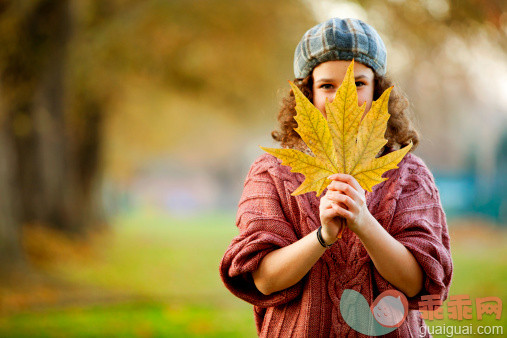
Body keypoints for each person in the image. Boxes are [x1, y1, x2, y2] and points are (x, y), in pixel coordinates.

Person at [220, 17, 453, 337]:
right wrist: (322, 237)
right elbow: (263, 279)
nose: (342, 97)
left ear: (378, 90)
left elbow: (420, 283)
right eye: (327, 85)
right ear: (307, 93)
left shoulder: (409, 175)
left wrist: (364, 222)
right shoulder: (272, 172)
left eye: (358, 83)